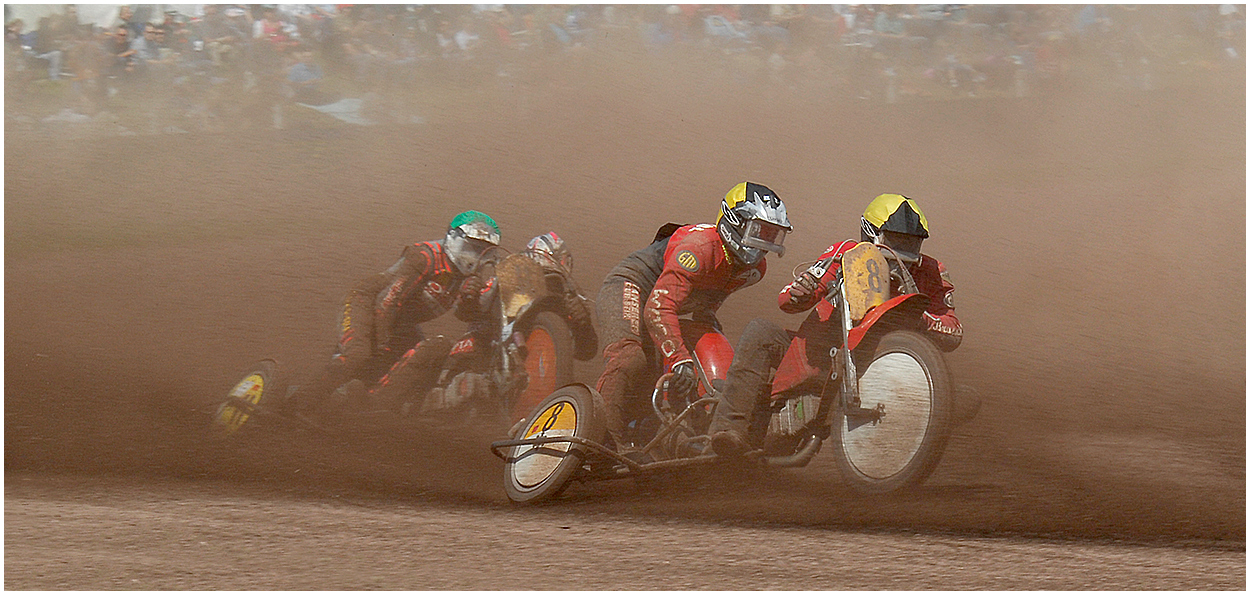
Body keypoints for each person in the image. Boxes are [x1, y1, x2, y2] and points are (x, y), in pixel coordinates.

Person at [707, 193, 963, 457]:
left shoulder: (932, 270)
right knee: (760, 331)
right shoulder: (845, 253)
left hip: (885, 367)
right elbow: (787, 300)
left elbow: (953, 330)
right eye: (897, 239)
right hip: (820, 356)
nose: (904, 248)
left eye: (912, 242)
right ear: (871, 233)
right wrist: (802, 291)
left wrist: (918, 320)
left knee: (964, 398)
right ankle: (728, 431)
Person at [594, 182, 792, 449]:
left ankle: (662, 425)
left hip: (670, 299)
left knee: (701, 348)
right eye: (760, 232)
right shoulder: (699, 249)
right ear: (735, 221)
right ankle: (599, 441)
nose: (765, 244)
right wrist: (678, 359)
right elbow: (658, 307)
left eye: (773, 236)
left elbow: (705, 304)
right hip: (633, 285)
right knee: (630, 358)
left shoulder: (755, 269)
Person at [284, 211, 502, 415]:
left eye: (484, 252)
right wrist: (382, 345)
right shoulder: (424, 257)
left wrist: (469, 299)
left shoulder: (470, 278)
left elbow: (463, 316)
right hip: (367, 304)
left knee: (420, 365)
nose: (475, 257)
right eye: (472, 248)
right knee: (358, 355)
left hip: (401, 322)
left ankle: (360, 410)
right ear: (454, 238)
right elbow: (388, 300)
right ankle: (296, 405)